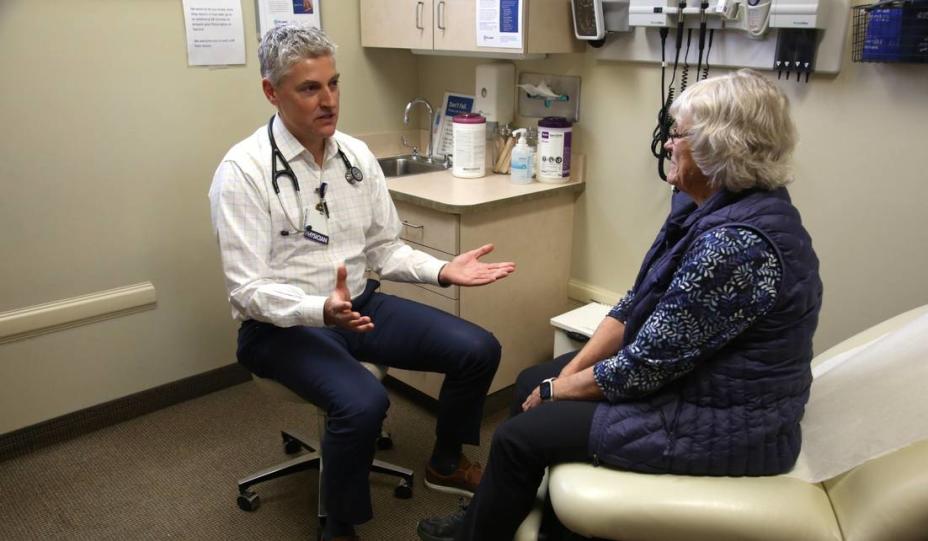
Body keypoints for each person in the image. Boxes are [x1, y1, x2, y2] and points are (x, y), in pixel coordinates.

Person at [417, 69, 823, 541]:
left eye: (678, 134)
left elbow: (645, 367)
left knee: (517, 435)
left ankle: (482, 534)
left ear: (720, 146)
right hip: (697, 381)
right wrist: (560, 380)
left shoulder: (736, 245)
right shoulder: (708, 207)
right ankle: (498, 518)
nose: (667, 144)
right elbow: (636, 304)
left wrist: (559, 392)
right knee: (532, 378)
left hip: (730, 423)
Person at [208, 24, 515, 541]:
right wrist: (317, 309)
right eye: (310, 88)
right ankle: (340, 527)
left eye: (333, 83)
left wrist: (441, 270)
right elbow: (246, 291)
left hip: (359, 307)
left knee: (478, 348)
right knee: (363, 402)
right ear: (271, 92)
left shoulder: (353, 156)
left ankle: (444, 460)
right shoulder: (243, 171)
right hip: (280, 329)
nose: (328, 100)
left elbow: (384, 249)